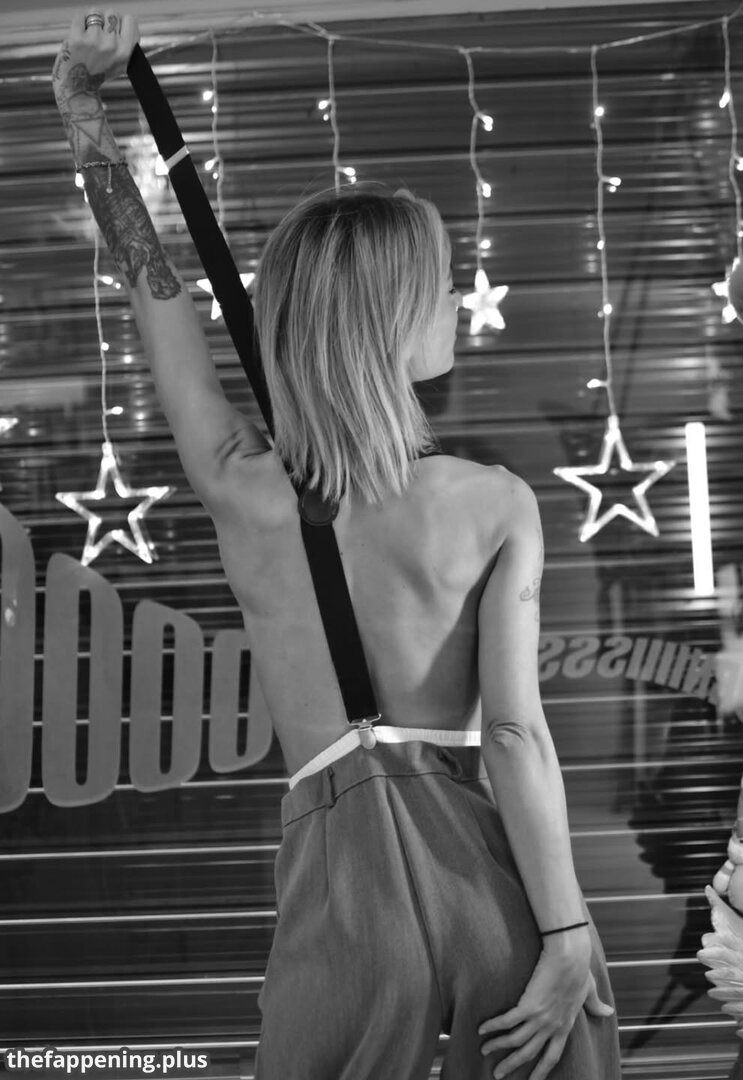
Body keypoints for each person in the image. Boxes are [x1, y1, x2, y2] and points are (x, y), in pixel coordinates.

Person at [52, 11, 622, 1079]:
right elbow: (514, 737)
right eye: (439, 282)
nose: (453, 300)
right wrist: (565, 937)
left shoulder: (241, 486)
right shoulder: (494, 503)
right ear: (393, 314)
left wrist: (80, 106)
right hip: (493, 901)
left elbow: (147, 279)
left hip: (340, 918)